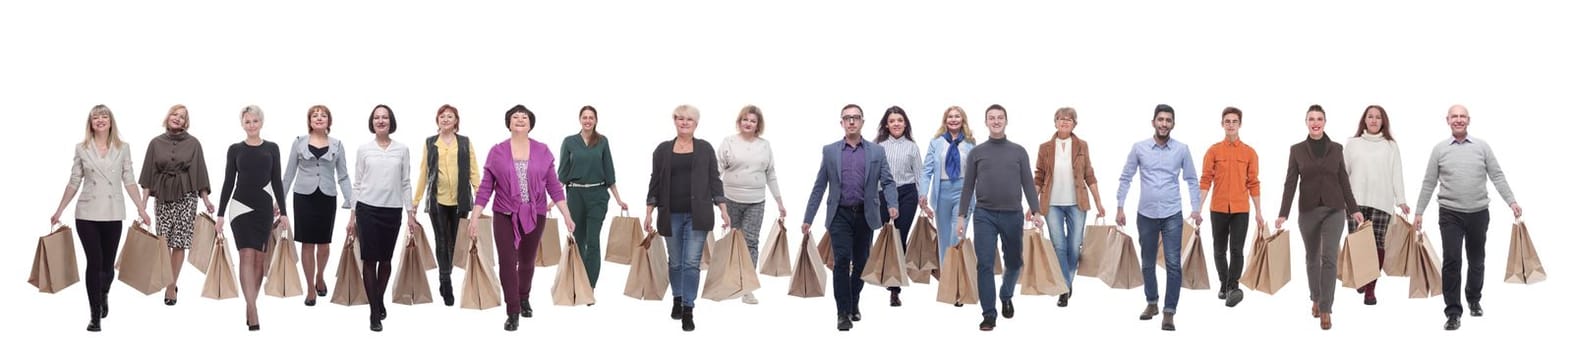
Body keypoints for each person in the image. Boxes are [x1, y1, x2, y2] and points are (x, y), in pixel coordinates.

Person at [1414, 104, 1521, 331]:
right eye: (1455, 116)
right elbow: (1429, 182)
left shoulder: (1482, 147)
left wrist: (1511, 201)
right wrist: (1419, 212)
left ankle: (1473, 298)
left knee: (1477, 259)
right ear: (1448, 120)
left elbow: (1497, 176)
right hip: (1450, 213)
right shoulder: (1440, 149)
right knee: (1452, 260)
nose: (1459, 120)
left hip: (1478, 213)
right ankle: (1453, 311)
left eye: (1462, 116)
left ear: (1468, 120)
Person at [469, 104, 575, 331]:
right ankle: (513, 310)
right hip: (505, 214)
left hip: (535, 213)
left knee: (527, 261)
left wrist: (566, 215)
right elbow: (486, 188)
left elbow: (554, 187)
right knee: (508, 261)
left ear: (530, 124)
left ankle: (524, 296)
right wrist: (475, 217)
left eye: (524, 117)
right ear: (508, 123)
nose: (519, 119)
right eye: (515, 117)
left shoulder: (543, 151)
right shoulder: (497, 151)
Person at [50, 105, 152, 332]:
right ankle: (94, 315)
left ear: (110, 121)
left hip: (113, 212)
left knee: (107, 266)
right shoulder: (81, 148)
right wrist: (59, 210)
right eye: (95, 117)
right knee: (94, 263)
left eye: (104, 116)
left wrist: (141, 209)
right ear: (90, 123)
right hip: (87, 213)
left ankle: (103, 292)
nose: (100, 120)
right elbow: (74, 181)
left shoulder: (123, 148)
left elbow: (129, 180)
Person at [802, 104, 898, 332]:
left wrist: (893, 204)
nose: (852, 121)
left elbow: (888, 181)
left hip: (866, 214)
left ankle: (855, 300)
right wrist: (808, 218)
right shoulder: (830, 151)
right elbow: (819, 186)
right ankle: (842, 312)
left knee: (862, 263)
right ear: (842, 123)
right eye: (847, 118)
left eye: (856, 118)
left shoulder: (876, 151)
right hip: (839, 215)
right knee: (842, 261)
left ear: (862, 122)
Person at [1276, 104, 1366, 331]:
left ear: (1325, 122)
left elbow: (1344, 180)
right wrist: (1282, 213)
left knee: (1329, 258)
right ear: (1306, 122)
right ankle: (1315, 297)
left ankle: (1326, 308)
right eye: (1311, 119)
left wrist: (1354, 208)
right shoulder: (1296, 150)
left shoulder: (1336, 148)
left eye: (1319, 119)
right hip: (1307, 211)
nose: (1315, 123)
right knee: (1312, 257)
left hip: (1335, 209)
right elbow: (1290, 183)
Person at [1116, 104, 1202, 331]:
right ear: (1153, 122)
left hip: (1173, 213)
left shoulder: (1182, 149)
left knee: (1173, 263)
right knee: (1147, 263)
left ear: (1173, 124)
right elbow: (1126, 177)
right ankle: (1152, 303)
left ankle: (1169, 312)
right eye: (1160, 119)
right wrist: (1120, 206)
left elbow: (1192, 180)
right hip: (1146, 214)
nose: (1164, 123)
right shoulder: (1139, 148)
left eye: (1168, 120)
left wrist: (1196, 208)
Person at [957, 104, 1043, 331]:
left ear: (1006, 121)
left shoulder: (1018, 151)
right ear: (986, 122)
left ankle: (1006, 294)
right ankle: (989, 314)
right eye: (991, 118)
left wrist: (1036, 211)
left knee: (1015, 262)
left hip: (1012, 214)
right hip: (984, 215)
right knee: (984, 264)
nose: (996, 121)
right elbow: (967, 187)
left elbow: (1028, 184)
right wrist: (961, 216)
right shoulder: (977, 152)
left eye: (1000, 118)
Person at [644, 104, 729, 332]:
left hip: (697, 214)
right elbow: (655, 182)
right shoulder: (662, 150)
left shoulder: (705, 149)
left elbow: (714, 180)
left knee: (691, 262)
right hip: (669, 213)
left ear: (696, 124)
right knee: (676, 261)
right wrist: (649, 212)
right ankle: (677, 298)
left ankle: (689, 309)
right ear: (674, 121)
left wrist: (723, 208)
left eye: (689, 119)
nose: (684, 122)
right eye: (680, 118)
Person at [214, 105, 289, 331]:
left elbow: (277, 181)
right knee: (246, 255)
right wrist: (219, 214)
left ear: (261, 123)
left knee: (259, 259)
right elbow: (228, 181)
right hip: (240, 207)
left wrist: (284, 212)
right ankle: (253, 311)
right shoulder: (235, 149)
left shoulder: (272, 148)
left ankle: (250, 305)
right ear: (242, 124)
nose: (251, 125)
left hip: (264, 208)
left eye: (255, 121)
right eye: (247, 122)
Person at [138, 104, 216, 307]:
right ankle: (169, 280)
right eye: (174, 114)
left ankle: (171, 286)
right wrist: (143, 203)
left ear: (185, 122)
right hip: (163, 195)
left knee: (179, 242)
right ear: (168, 117)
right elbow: (148, 174)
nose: (177, 118)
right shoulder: (155, 143)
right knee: (163, 241)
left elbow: (200, 173)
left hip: (186, 196)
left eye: (182, 117)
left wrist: (206, 199)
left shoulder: (194, 144)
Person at [349, 104, 418, 332]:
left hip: (392, 210)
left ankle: (378, 300)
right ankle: (373, 313)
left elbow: (406, 182)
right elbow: (357, 184)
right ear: (372, 122)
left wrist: (410, 214)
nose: (380, 121)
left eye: (385, 117)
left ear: (391, 121)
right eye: (377, 117)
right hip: (367, 210)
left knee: (386, 260)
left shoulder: (402, 149)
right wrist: (352, 216)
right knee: (369, 260)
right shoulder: (363, 149)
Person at [1033, 107, 1107, 308]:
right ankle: (1064, 288)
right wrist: (1032, 204)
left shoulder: (1082, 145)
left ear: (1074, 123)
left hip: (1077, 203)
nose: (1064, 122)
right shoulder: (1045, 147)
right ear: (1055, 122)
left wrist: (1099, 201)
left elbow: (1089, 174)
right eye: (1060, 119)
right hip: (1052, 204)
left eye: (1069, 119)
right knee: (1059, 246)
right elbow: (1039, 175)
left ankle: (1066, 281)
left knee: (1074, 246)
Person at [282, 105, 354, 307]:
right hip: (303, 197)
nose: (319, 118)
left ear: (329, 122)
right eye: (315, 115)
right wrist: (279, 201)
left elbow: (343, 176)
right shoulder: (299, 143)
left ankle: (320, 276)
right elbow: (288, 174)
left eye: (323, 115)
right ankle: (310, 288)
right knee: (307, 243)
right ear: (309, 121)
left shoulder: (337, 145)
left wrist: (353, 202)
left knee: (323, 244)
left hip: (327, 197)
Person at [412, 104, 480, 306]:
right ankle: (446, 281)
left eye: (450, 116)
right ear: (437, 120)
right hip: (437, 200)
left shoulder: (465, 142)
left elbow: (474, 170)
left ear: (456, 121)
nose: (446, 119)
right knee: (441, 240)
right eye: (442, 116)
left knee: (454, 242)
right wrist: (415, 201)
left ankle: (445, 274)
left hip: (461, 200)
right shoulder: (430, 142)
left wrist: (480, 193)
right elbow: (424, 172)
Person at [1197, 107, 1264, 308]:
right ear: (1222, 124)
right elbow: (1205, 181)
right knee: (1219, 249)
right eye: (1227, 121)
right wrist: (1197, 208)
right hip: (1217, 207)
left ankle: (1233, 287)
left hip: (1241, 209)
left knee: (1236, 250)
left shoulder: (1250, 153)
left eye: (1235, 121)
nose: (1231, 124)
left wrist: (1259, 212)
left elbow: (1253, 183)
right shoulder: (1213, 151)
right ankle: (1224, 284)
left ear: (1240, 124)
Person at [717, 105, 784, 305]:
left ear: (758, 125)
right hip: (730, 199)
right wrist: (716, 201)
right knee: (734, 241)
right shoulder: (728, 142)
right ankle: (731, 282)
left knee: (751, 243)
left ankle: (747, 288)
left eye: (753, 121)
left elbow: (770, 174)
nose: (748, 123)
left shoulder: (764, 145)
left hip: (756, 201)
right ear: (740, 122)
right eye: (745, 119)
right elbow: (716, 169)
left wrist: (779, 202)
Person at [1343, 105, 1410, 306]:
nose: (1373, 120)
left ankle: (1370, 289)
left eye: (1378, 117)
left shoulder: (1390, 146)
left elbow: (1396, 174)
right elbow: (1343, 173)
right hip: (1355, 201)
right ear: (1364, 120)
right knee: (1357, 243)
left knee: (1377, 243)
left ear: (1383, 121)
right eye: (1370, 117)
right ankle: (1362, 277)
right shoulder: (1352, 144)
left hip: (1382, 200)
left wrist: (1401, 200)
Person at [559, 105, 629, 292]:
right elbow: (562, 174)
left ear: (596, 120)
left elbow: (609, 172)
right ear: (580, 119)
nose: (588, 120)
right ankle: (578, 282)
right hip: (575, 195)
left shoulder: (602, 142)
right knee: (578, 240)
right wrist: (553, 200)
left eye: (591, 117)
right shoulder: (569, 142)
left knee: (593, 240)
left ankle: (590, 285)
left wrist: (618, 199)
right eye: (585, 117)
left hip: (597, 195)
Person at [874, 106, 920, 307]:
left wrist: (924, 201)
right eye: (892, 121)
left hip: (907, 193)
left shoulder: (912, 147)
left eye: (900, 120)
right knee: (886, 236)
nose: (896, 124)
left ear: (905, 123)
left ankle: (895, 288)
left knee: (900, 236)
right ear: (886, 124)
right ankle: (883, 271)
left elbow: (919, 175)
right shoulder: (878, 146)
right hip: (883, 194)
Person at [919, 106, 976, 267]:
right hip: (941, 193)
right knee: (944, 239)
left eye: (957, 116)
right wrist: (923, 193)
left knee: (956, 235)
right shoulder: (936, 142)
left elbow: (977, 171)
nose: (953, 119)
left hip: (963, 192)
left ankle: (958, 277)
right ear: (945, 121)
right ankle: (947, 282)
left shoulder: (970, 142)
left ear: (962, 119)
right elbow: (926, 170)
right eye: (950, 117)